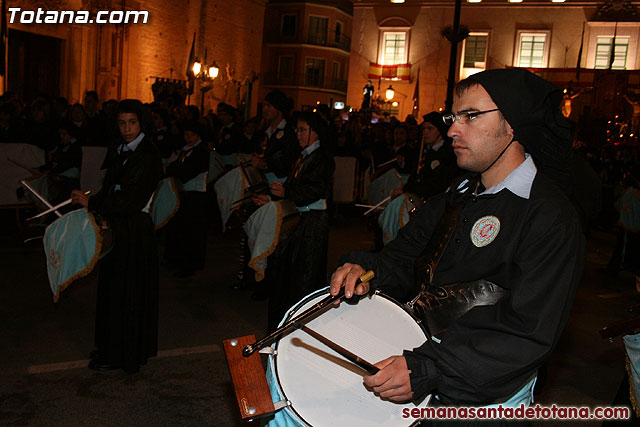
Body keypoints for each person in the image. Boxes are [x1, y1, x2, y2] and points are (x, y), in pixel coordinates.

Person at [329, 69, 586, 413]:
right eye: (454, 117)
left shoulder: (549, 216)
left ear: (512, 126)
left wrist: (429, 368)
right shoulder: (459, 194)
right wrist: (366, 268)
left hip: (483, 395)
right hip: (421, 359)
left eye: (471, 116)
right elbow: (405, 257)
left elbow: (527, 331)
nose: (452, 130)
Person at [71, 99, 162, 374]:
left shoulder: (147, 154)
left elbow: (131, 200)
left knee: (128, 293)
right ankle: (112, 347)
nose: (127, 128)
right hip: (120, 227)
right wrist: (91, 199)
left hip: (134, 229)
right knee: (114, 291)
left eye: (132, 122)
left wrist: (94, 204)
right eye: (122, 123)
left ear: (141, 122)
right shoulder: (121, 149)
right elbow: (112, 189)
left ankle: (125, 354)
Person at [254, 111, 335, 332]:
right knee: (286, 275)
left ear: (315, 132)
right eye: (296, 130)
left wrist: (285, 191)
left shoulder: (322, 158)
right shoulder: (304, 156)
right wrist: (271, 196)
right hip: (299, 220)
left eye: (302, 130)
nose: (298, 134)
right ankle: (281, 328)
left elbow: (316, 189)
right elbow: (291, 186)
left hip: (312, 223)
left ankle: (299, 330)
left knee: (304, 278)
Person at [164, 121, 210, 278]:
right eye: (186, 135)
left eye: (192, 135)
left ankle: (190, 264)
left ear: (198, 136)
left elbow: (186, 172)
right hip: (185, 195)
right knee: (181, 230)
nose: (188, 138)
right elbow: (175, 167)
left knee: (192, 232)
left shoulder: (201, 151)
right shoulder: (187, 150)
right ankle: (177, 260)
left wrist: (173, 170)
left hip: (196, 196)